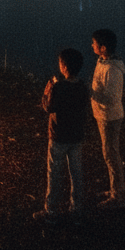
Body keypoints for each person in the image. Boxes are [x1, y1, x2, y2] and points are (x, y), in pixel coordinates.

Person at [34, 47, 88, 224]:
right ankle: (77, 209)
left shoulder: (59, 87)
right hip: (76, 137)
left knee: (54, 174)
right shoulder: (82, 86)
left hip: (58, 137)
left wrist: (47, 91)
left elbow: (49, 107)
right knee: (76, 173)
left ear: (64, 67)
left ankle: (51, 211)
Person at [90, 28, 125, 206]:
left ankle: (118, 196)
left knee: (111, 155)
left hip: (110, 118)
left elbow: (111, 99)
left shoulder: (112, 70)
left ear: (103, 48)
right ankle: (115, 189)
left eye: (94, 44)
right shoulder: (103, 61)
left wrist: (90, 93)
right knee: (110, 154)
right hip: (103, 116)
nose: (92, 46)